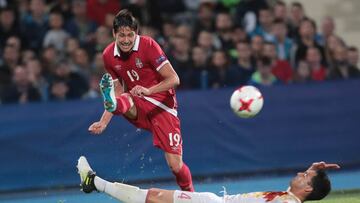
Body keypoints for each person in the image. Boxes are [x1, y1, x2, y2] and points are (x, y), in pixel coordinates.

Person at [88, 9, 194, 191]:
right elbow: (118, 90)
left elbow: (174, 79)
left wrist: (148, 90)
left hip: (162, 106)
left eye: (130, 35)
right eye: (121, 35)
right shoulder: (108, 55)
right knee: (126, 98)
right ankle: (114, 105)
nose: (126, 40)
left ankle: (190, 194)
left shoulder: (149, 45)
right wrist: (104, 121)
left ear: (136, 33)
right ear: (114, 34)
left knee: (175, 166)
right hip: (135, 102)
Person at [77, 156, 340, 203]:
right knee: (155, 196)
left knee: (155, 197)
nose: (299, 174)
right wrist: (312, 169)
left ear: (307, 187)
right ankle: (96, 183)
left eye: (304, 175)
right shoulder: (290, 197)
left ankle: (95, 183)